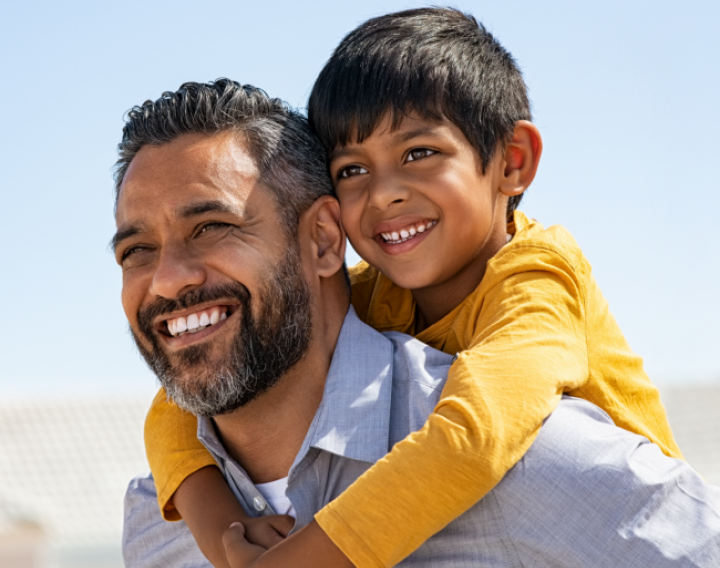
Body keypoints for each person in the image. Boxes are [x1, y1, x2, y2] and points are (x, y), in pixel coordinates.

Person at [143, 8, 685, 568]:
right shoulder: (378, 293)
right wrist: (222, 531)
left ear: (512, 162)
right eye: (352, 169)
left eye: (419, 154)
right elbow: (178, 400)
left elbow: (473, 439)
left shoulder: (537, 284)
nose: (384, 195)